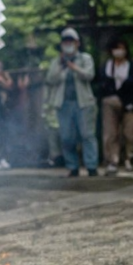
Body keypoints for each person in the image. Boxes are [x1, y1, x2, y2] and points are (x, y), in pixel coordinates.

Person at [45, 28, 98, 177]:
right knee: (67, 136)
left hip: (84, 103)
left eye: (71, 42)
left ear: (77, 43)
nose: (68, 45)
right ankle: (72, 166)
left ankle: (91, 166)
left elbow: (89, 75)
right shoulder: (57, 61)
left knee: (87, 135)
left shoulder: (85, 58)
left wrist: (74, 67)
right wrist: (62, 66)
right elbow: (50, 79)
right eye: (65, 42)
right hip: (63, 104)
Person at [99, 40, 133, 174]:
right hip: (110, 102)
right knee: (111, 133)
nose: (119, 51)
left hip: (130, 103)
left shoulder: (132, 66)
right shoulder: (106, 66)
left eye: (121, 48)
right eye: (116, 48)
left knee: (130, 133)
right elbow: (101, 84)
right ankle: (112, 160)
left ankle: (128, 157)